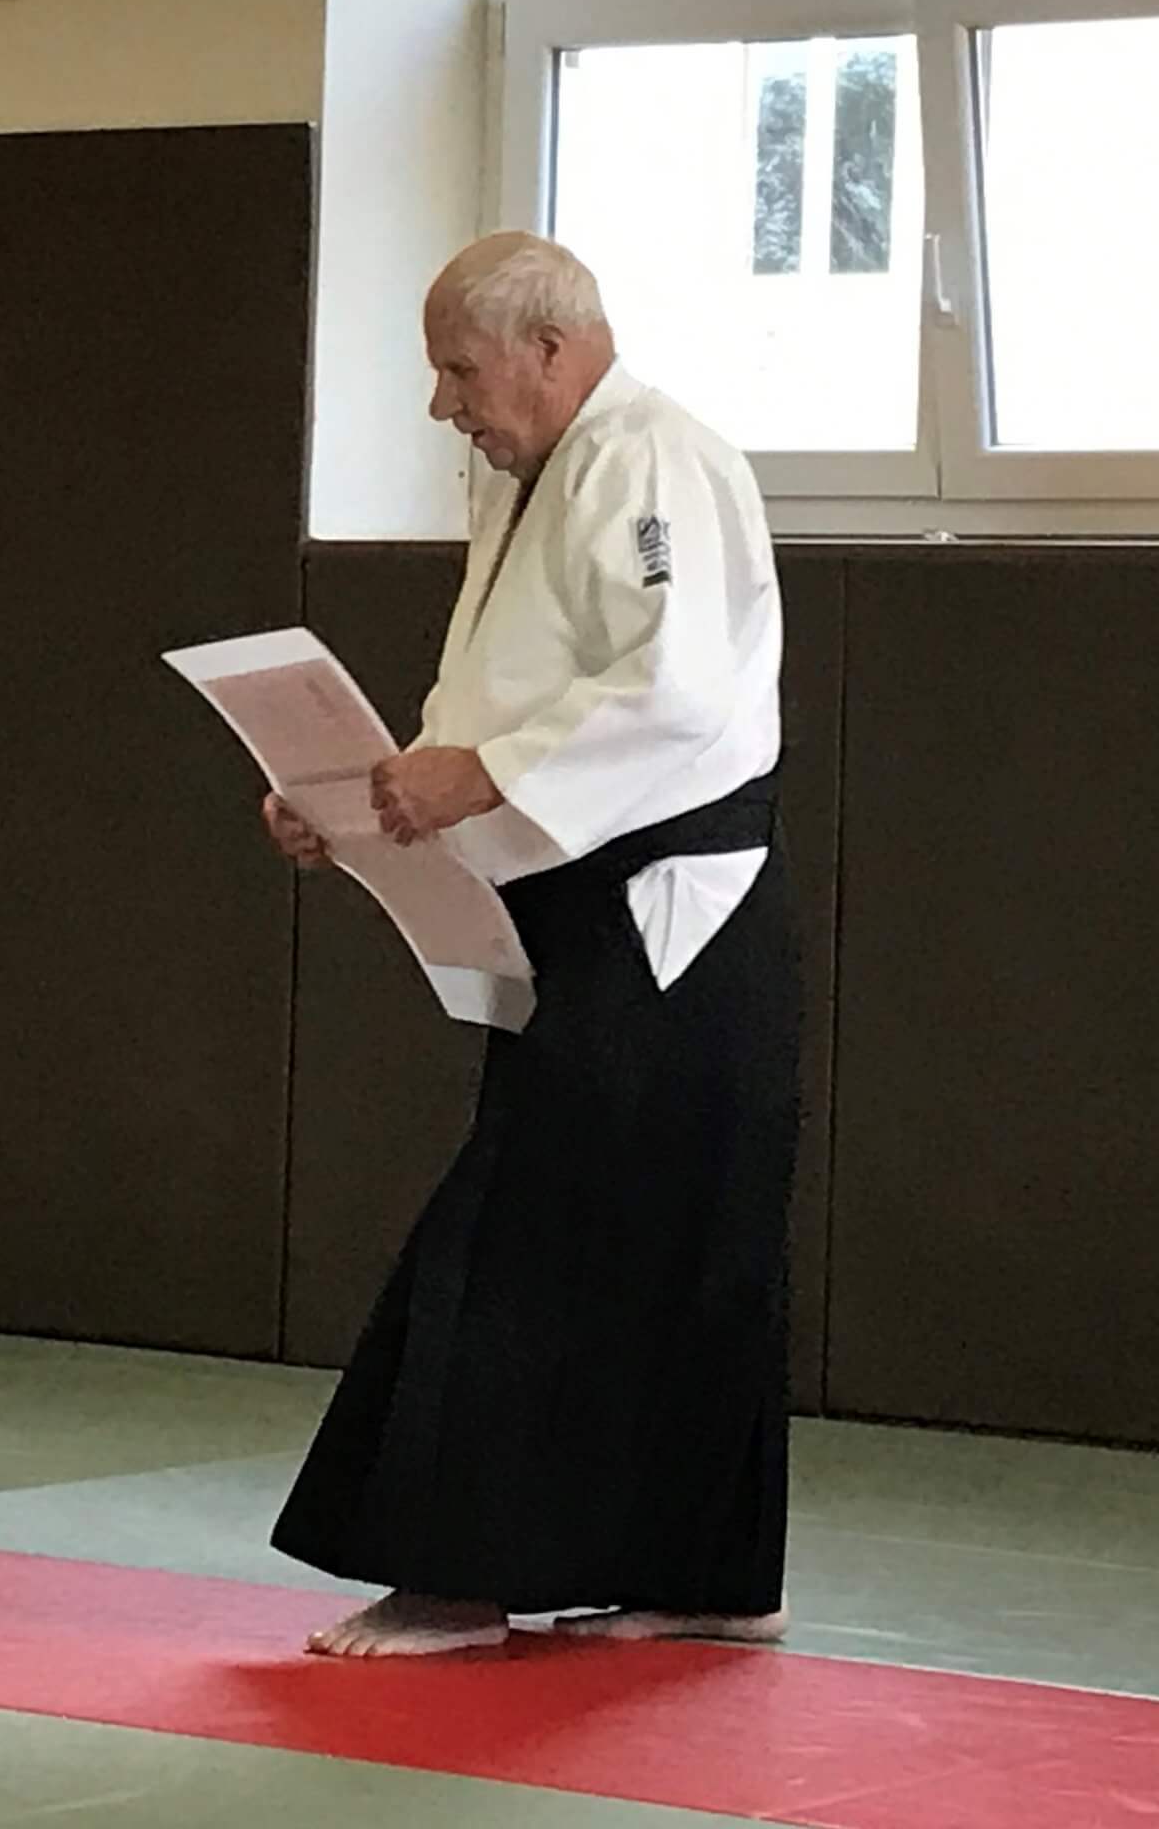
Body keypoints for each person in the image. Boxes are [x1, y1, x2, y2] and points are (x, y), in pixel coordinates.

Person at [263, 231, 801, 1659]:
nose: (444, 403)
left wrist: (479, 778)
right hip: (580, 898)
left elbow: (674, 692)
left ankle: (462, 1572)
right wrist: (366, 805)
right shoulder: (542, 471)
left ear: (552, 349)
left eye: (459, 368)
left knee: (543, 1225)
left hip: (672, 914)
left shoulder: (649, 457)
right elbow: (498, 700)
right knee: (655, 1233)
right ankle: (702, 1572)